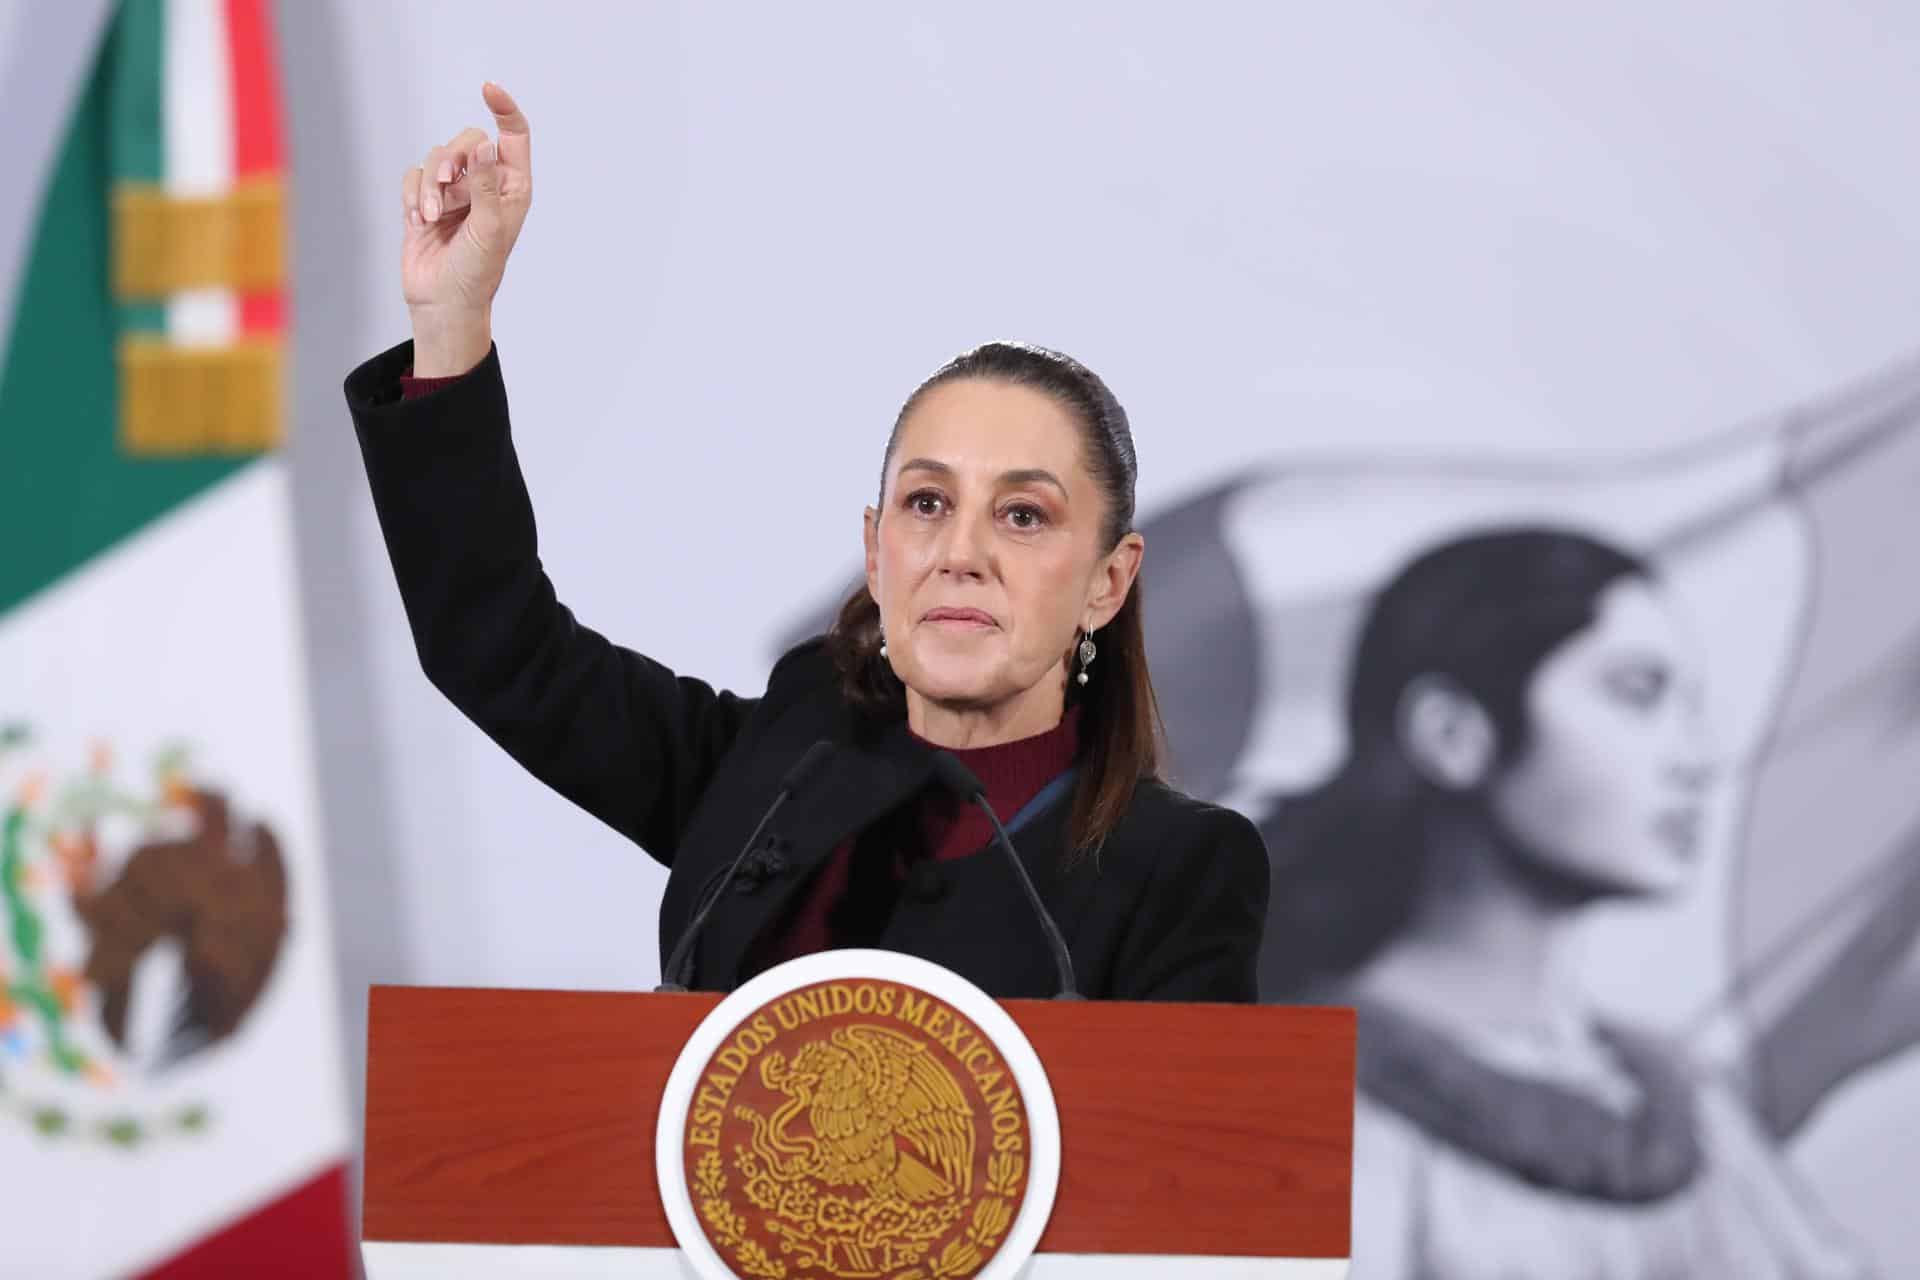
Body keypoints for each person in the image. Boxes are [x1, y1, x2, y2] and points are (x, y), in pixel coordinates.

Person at [339, 84, 1268, 1001]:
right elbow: (496, 647)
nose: (961, 553)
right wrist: (449, 323)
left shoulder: (1181, 868)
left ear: (1109, 581)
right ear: (875, 552)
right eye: (927, 505)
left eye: (1023, 515)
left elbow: (1180, 1150)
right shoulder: (783, 766)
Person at [1260, 526, 1920, 1278]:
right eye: (1637, 693)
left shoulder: (1688, 1109)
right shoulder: (1254, 1098)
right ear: (1451, 733)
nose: (1696, 759)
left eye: (1690, 705)